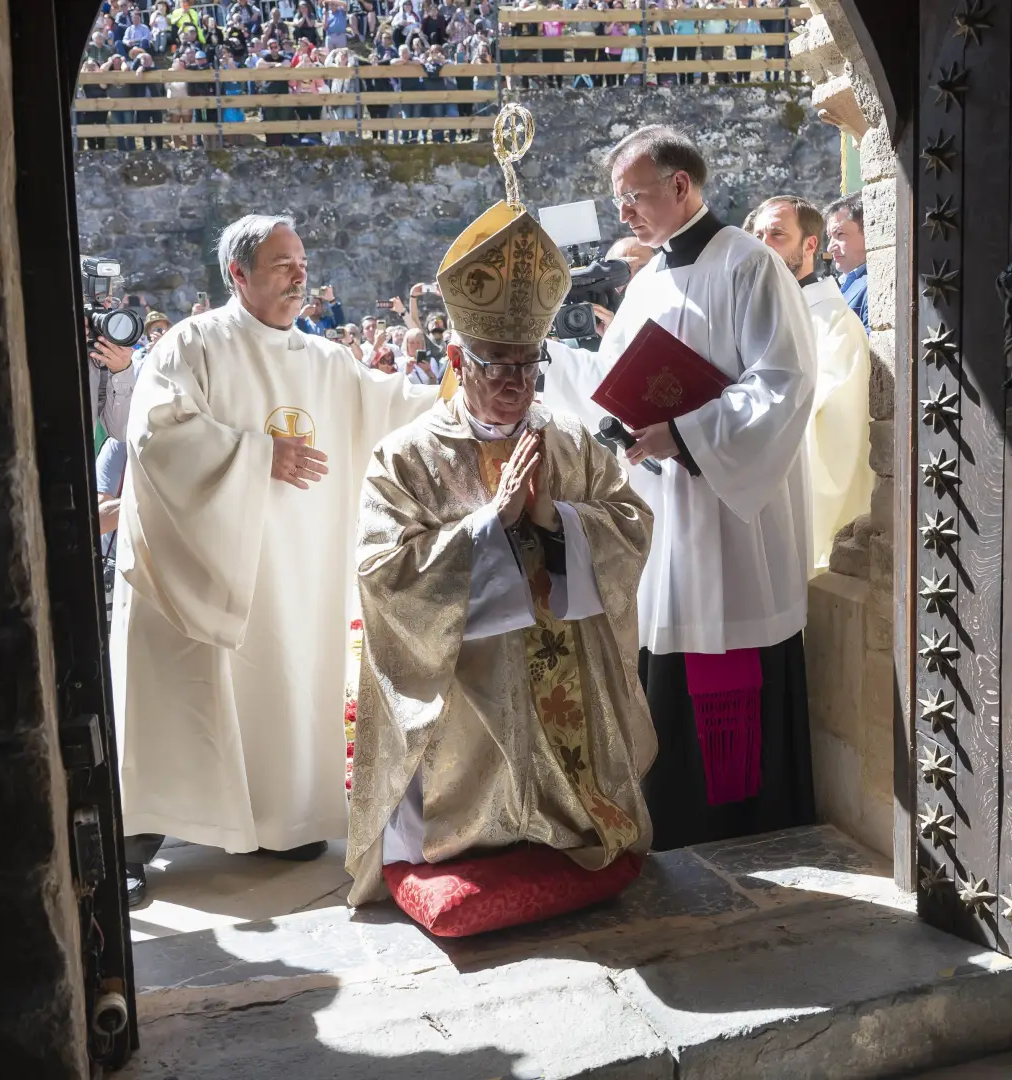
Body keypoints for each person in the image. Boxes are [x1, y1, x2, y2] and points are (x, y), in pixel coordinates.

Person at [348, 153, 656, 905]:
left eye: (528, 364)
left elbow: (631, 525)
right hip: (467, 698)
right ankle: (466, 839)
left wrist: (557, 521)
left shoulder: (572, 442)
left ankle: (566, 813)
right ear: (457, 357)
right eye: (494, 364)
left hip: (563, 679)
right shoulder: (408, 457)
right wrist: (492, 527)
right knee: (473, 807)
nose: (516, 383)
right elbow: (385, 576)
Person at [110, 214, 440, 903]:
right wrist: (258, 454)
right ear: (238, 275)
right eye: (282, 264)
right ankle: (137, 836)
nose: (300, 275)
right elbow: (156, 434)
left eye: (301, 262)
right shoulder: (192, 345)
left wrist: (456, 389)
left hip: (292, 572)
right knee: (185, 688)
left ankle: (278, 817)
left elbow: (391, 408)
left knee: (279, 684)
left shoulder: (322, 360)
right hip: (202, 568)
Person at [543, 125, 818, 850]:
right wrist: (556, 372)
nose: (623, 214)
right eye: (618, 202)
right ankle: (677, 820)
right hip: (668, 512)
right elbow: (611, 382)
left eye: (633, 197)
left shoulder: (752, 267)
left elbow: (784, 385)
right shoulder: (651, 280)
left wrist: (687, 435)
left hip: (733, 520)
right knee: (667, 660)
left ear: (680, 186)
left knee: (731, 659)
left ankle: (749, 823)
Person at [745, 194, 872, 574]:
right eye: (758, 235)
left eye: (777, 235)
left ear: (810, 244)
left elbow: (838, 433)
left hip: (793, 508)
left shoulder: (835, 324)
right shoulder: (755, 317)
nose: (763, 245)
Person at [823, 193, 868, 330]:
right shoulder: (841, 284)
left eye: (840, 234)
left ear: (869, 234)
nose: (830, 247)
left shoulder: (874, 285)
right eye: (830, 237)